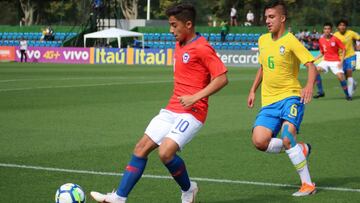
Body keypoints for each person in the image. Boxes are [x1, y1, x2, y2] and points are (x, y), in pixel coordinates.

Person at [90, 3, 228, 203]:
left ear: (188, 24)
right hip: (172, 108)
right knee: (140, 148)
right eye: (170, 25)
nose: (171, 30)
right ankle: (119, 198)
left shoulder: (202, 47)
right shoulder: (180, 43)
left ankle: (188, 190)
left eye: (174, 25)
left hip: (193, 111)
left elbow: (222, 78)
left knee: (165, 153)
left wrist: (195, 97)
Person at [247, 0, 317, 196]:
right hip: (269, 102)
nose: (267, 21)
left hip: (290, 98)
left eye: (272, 17)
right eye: (266, 17)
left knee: (287, 138)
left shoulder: (291, 40)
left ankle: (308, 185)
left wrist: (309, 85)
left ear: (282, 18)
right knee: (259, 142)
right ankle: (300, 149)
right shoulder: (262, 40)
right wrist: (253, 89)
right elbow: (262, 67)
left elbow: (311, 64)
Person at [313, 23, 350, 100]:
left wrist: (341, 62)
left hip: (335, 61)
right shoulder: (321, 40)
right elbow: (322, 52)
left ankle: (347, 95)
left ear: (331, 30)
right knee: (315, 71)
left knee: (340, 77)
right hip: (326, 60)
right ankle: (321, 92)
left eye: (328, 29)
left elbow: (343, 49)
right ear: (323, 30)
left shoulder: (335, 39)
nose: (327, 30)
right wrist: (315, 59)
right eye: (325, 29)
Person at [334, 19, 360, 98]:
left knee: (349, 72)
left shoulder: (351, 33)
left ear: (346, 27)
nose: (342, 27)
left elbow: (358, 38)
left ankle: (349, 94)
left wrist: (358, 44)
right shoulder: (335, 35)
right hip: (341, 58)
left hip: (351, 56)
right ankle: (354, 83)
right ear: (338, 27)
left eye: (344, 25)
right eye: (340, 25)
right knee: (345, 75)